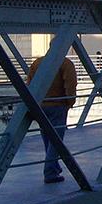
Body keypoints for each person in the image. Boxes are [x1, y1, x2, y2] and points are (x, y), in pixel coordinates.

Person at [27, 51, 77, 183]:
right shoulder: (66, 63)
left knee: (47, 138)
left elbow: (30, 83)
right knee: (56, 140)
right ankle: (50, 172)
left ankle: (54, 166)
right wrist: (70, 103)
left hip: (40, 105)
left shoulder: (37, 63)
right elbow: (70, 85)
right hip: (58, 105)